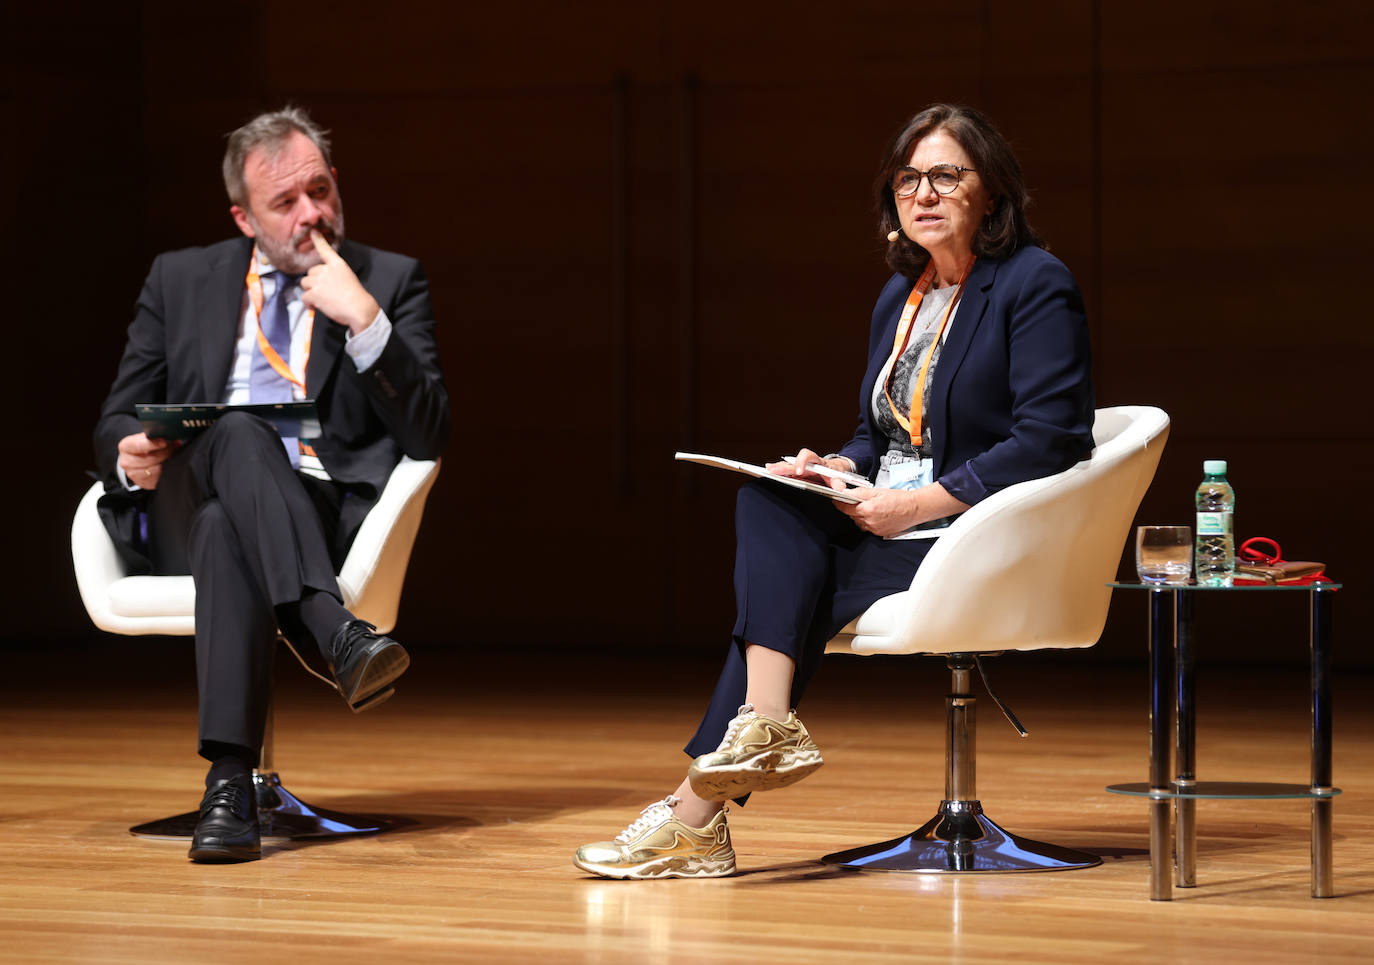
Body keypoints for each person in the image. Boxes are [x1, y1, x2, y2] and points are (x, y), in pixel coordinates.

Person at [574, 104, 1094, 879]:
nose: (923, 192)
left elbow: (1050, 435)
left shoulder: (1033, 282)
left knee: (786, 603)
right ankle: (758, 735)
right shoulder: (903, 296)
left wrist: (914, 504)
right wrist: (832, 465)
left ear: (991, 192)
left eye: (947, 175)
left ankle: (701, 808)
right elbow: (879, 433)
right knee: (773, 498)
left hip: (976, 529)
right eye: (908, 178)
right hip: (895, 519)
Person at [93, 107, 450, 863]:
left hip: (314, 511)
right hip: (186, 498)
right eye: (284, 203)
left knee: (234, 526)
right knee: (235, 431)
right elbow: (116, 414)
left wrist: (363, 320)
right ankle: (334, 634)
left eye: (319, 190)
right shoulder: (180, 277)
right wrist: (127, 451)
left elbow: (429, 434)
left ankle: (228, 786)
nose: (311, 214)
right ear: (244, 218)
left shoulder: (388, 280)